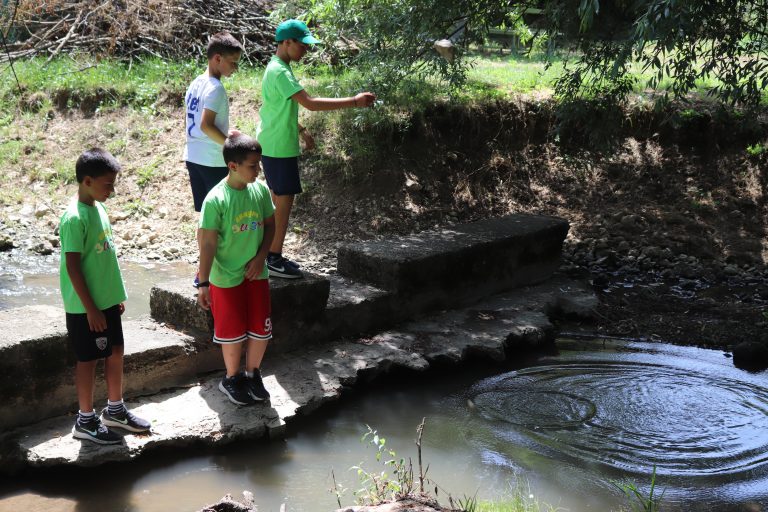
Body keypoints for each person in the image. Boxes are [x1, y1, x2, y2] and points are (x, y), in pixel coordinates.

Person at [256, 19, 376, 279]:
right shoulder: (281, 71)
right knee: (284, 200)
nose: (306, 51)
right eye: (302, 45)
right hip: (278, 146)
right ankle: (273, 259)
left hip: (273, 142)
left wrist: (301, 131)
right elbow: (309, 103)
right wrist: (354, 102)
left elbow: (275, 108)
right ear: (287, 42)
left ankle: (269, 254)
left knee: (279, 200)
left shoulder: (276, 67)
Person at [59, 148, 151, 444]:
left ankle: (115, 410)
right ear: (87, 181)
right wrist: (91, 309)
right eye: (107, 184)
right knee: (88, 360)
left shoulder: (98, 207)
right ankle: (85, 420)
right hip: (86, 308)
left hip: (105, 302)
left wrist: (113, 297)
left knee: (116, 352)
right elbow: (73, 267)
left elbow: (103, 257)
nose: (112, 190)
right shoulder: (74, 217)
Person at [197, 134, 276, 405]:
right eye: (253, 166)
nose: (258, 170)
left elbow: (270, 225)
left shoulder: (261, 191)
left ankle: (253, 374)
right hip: (225, 277)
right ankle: (232, 378)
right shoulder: (216, 199)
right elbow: (207, 244)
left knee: (260, 328)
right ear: (233, 166)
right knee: (232, 332)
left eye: (259, 164)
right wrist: (203, 283)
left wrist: (261, 257)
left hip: (257, 273)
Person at [184, 31, 243, 286]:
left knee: (205, 217)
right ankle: (211, 274)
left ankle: (203, 271)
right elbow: (207, 125)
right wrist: (230, 144)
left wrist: (225, 132)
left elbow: (198, 124)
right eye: (233, 62)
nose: (235, 68)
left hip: (193, 157)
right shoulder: (216, 88)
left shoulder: (197, 82)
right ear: (217, 58)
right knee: (218, 220)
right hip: (211, 161)